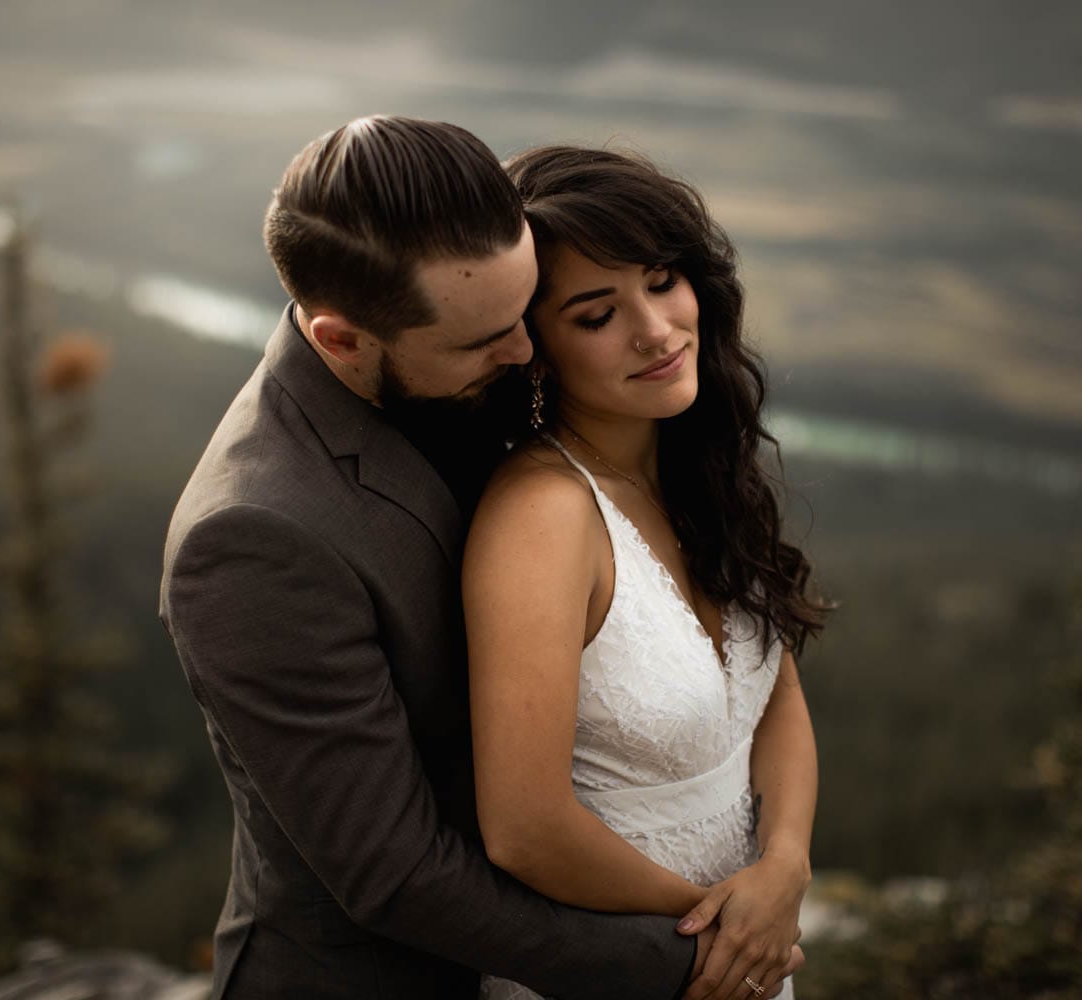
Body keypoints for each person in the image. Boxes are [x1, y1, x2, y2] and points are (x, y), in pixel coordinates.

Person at [160, 116, 716, 999]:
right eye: (482, 340)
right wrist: (693, 959)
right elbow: (395, 875)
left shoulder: (465, 351)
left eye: (526, 306)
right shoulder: (252, 540)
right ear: (341, 339)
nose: (526, 350)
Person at [464, 146, 827, 1000]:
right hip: (620, 969)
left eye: (662, 280)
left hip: (736, 960)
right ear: (536, 349)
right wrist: (729, 923)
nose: (657, 331)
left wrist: (784, 867)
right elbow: (524, 830)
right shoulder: (543, 517)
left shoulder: (696, 471)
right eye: (597, 315)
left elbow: (773, 700)